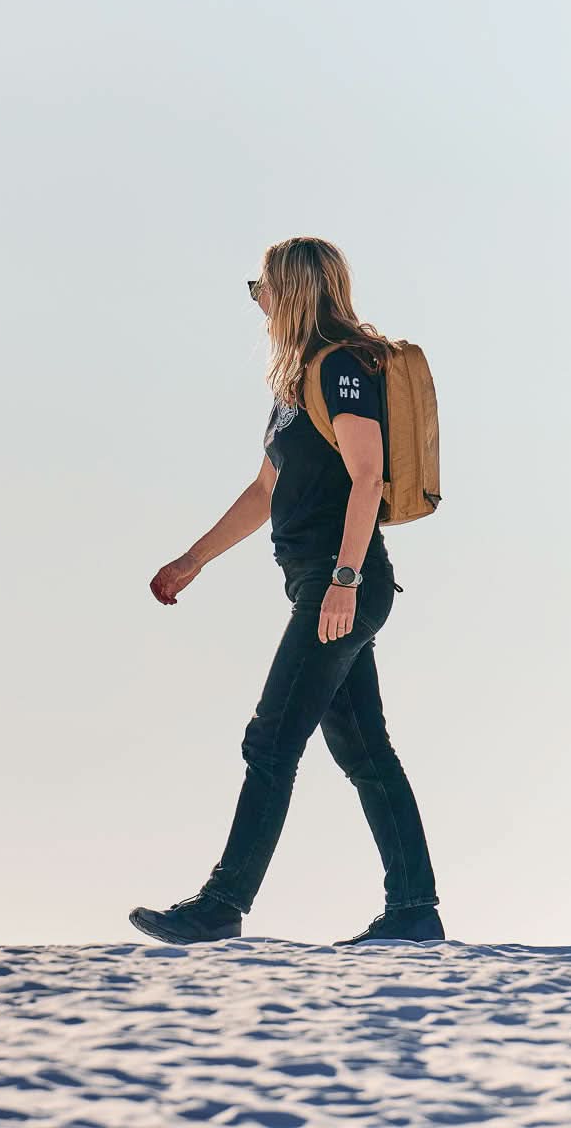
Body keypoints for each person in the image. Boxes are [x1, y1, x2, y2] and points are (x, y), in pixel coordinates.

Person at [129, 237, 445, 947]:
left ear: (292, 291)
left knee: (270, 742)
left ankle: (222, 903)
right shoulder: (296, 383)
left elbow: (367, 475)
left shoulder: (340, 368)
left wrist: (343, 579)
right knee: (366, 753)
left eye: (260, 287)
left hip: (343, 585)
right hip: (324, 583)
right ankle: (415, 910)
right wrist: (193, 560)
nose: (258, 301)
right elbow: (268, 486)